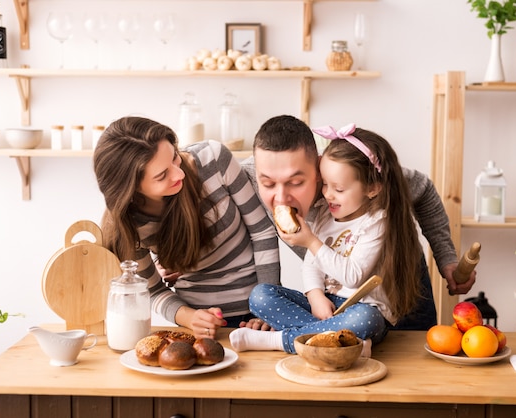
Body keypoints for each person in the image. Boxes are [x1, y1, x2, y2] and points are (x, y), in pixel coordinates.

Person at [239, 115, 475, 331]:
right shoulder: (248, 174)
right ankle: (328, 339)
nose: (281, 197)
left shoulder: (350, 173)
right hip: (333, 291)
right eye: (268, 184)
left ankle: (302, 337)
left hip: (397, 281)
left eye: (296, 182)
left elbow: (423, 191)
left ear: (319, 169)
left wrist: (447, 258)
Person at [229, 124, 428, 354]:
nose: (327, 194)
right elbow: (311, 264)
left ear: (372, 188)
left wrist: (311, 241)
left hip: (360, 306)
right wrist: (314, 295)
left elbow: (353, 278)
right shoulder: (328, 211)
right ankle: (346, 343)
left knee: (366, 319)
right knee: (260, 295)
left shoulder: (376, 222)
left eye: (338, 189)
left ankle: (278, 342)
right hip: (327, 303)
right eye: (325, 184)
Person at [93, 116, 280, 340]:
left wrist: (269, 307)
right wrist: (189, 317)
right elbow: (152, 291)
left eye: (175, 157)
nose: (179, 173)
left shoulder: (213, 158)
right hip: (198, 328)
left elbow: (262, 232)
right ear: (131, 190)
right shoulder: (129, 226)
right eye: (162, 175)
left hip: (259, 316)